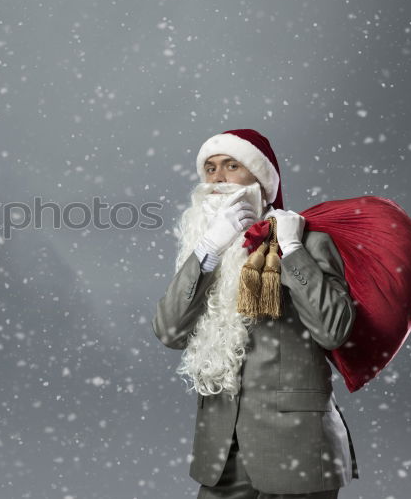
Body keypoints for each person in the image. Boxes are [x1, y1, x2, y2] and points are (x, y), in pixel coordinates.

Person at [152, 129, 359, 498]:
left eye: (233, 166)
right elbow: (169, 331)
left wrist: (292, 249)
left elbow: (333, 330)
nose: (218, 179)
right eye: (211, 168)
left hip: (298, 448)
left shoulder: (310, 241)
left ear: (262, 181)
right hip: (221, 454)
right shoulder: (204, 251)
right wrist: (209, 248)